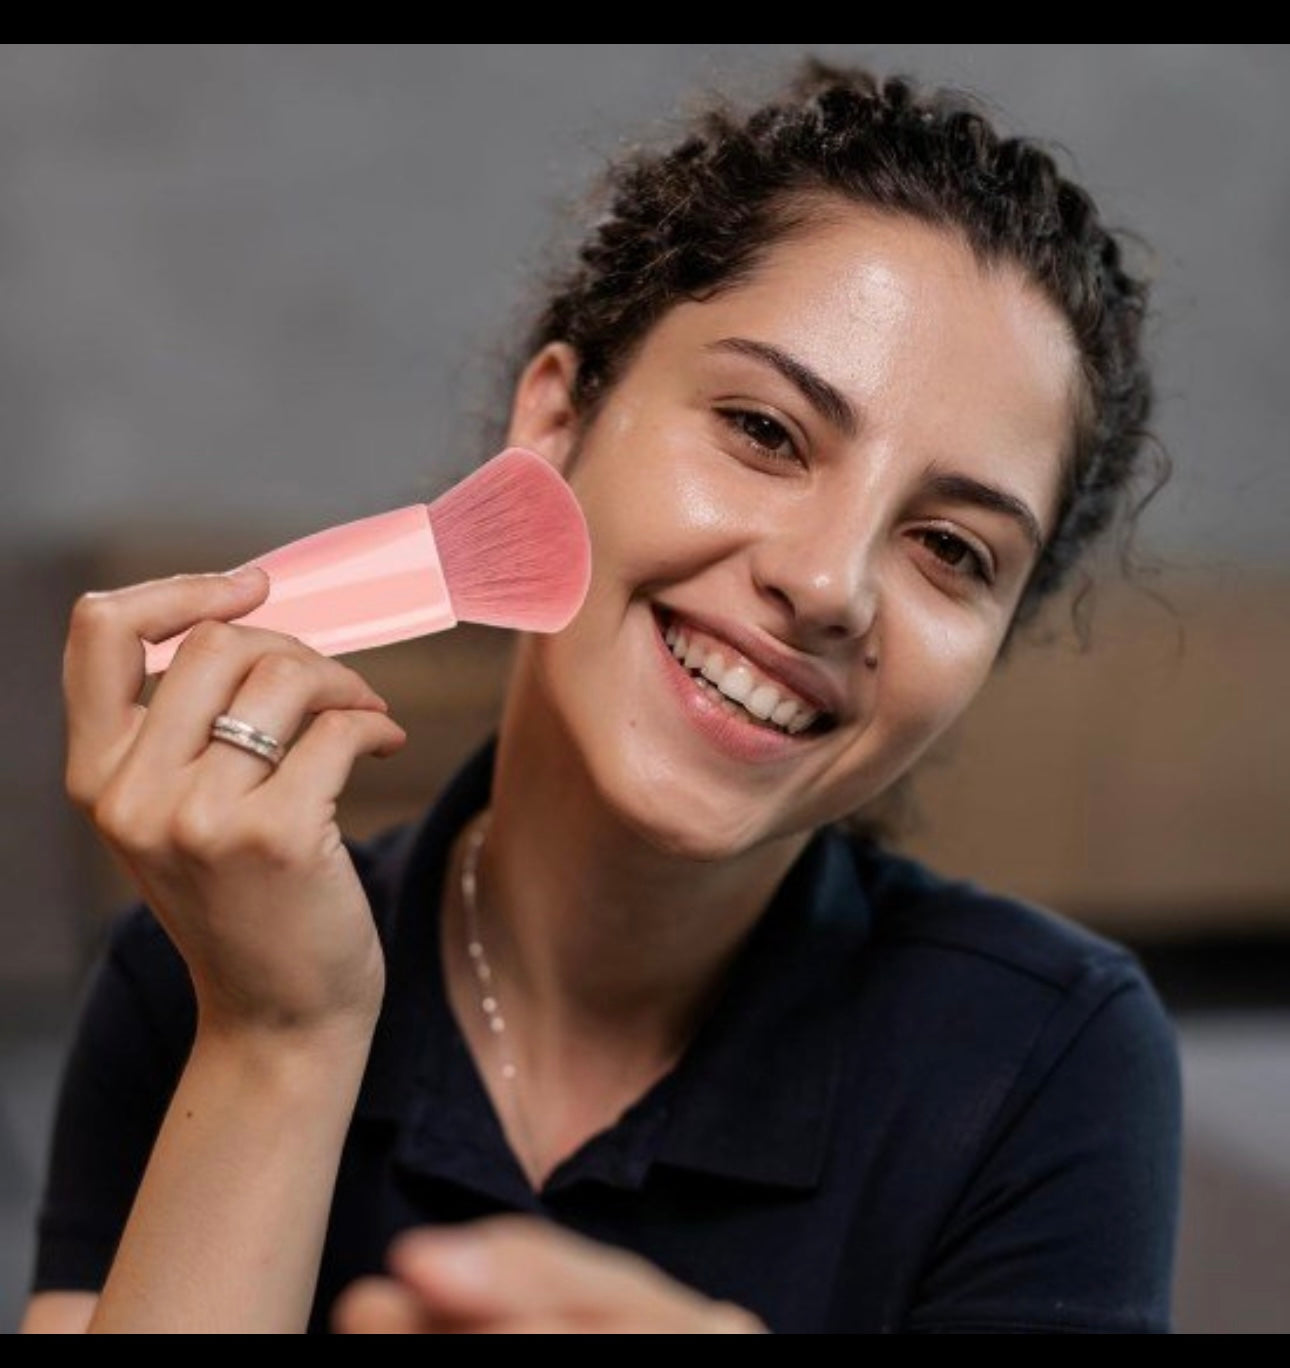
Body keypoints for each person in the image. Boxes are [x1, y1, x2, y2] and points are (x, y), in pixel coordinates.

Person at [24, 57, 1181, 1334]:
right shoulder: (193, 971)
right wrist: (276, 1036)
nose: (828, 583)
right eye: (765, 431)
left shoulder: (1044, 1061)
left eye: (953, 552)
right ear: (554, 427)